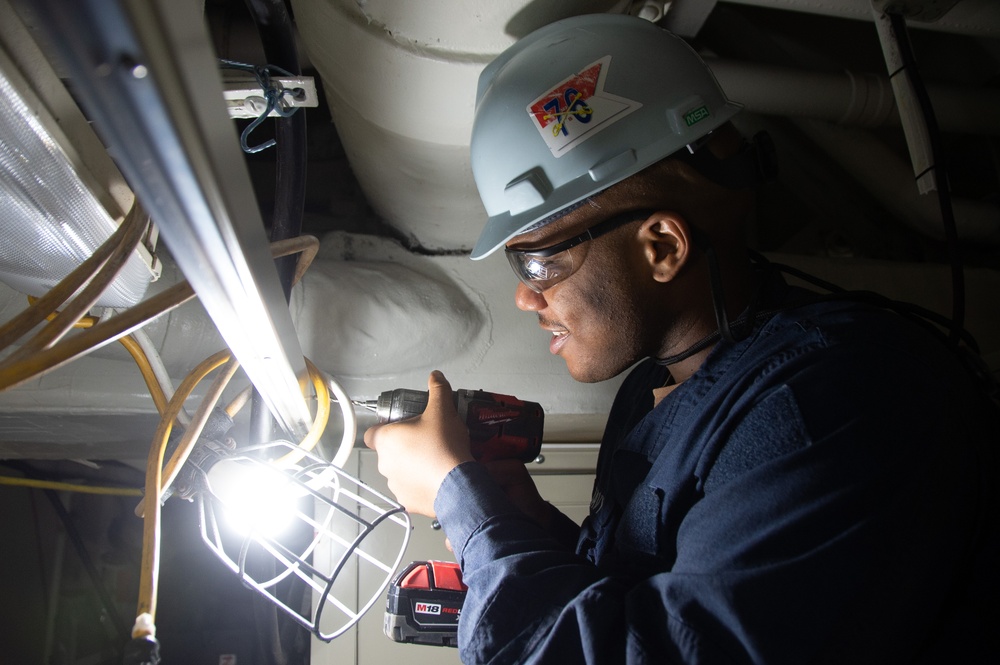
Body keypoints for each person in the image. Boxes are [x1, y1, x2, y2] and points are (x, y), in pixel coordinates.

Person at [364, 13, 998, 664]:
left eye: (540, 261)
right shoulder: (651, 389)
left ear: (661, 245)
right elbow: (642, 591)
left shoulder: (834, 408)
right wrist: (527, 524)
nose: (527, 296)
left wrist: (465, 508)